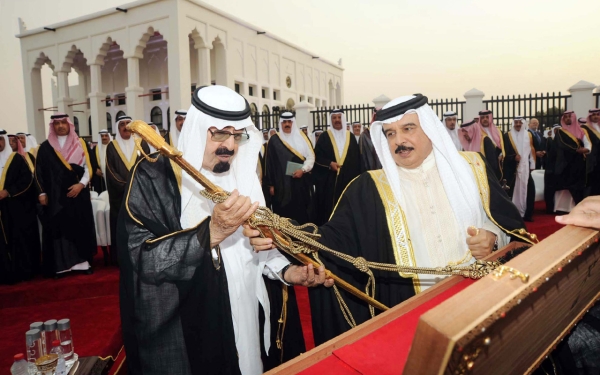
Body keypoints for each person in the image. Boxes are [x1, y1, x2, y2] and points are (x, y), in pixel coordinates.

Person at [246, 94, 533, 346]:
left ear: (430, 129)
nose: (399, 141)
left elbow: (511, 226)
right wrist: (277, 231)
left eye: (408, 129)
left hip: (481, 302)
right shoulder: (369, 188)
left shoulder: (473, 169)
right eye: (391, 134)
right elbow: (332, 243)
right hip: (416, 317)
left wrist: (495, 237)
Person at [119, 85, 331, 375]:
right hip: (197, 325)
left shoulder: (243, 173)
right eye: (219, 133)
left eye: (237, 135)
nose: (229, 146)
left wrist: (286, 271)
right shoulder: (154, 176)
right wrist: (211, 232)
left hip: (246, 314)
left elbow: (256, 247)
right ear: (198, 128)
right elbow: (141, 259)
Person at [35, 113, 96, 277]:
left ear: (69, 124)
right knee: (59, 230)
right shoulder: (46, 147)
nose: (60, 126)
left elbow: (88, 167)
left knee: (79, 227)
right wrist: (42, 193)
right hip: (56, 198)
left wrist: (81, 185)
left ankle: (82, 265)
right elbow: (38, 171)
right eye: (57, 123)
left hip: (78, 195)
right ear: (52, 126)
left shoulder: (80, 143)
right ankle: (62, 267)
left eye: (63, 123)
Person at [106, 115, 150, 265]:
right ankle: (121, 258)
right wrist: (127, 187)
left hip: (140, 195)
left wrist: (138, 187)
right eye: (122, 124)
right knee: (122, 227)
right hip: (120, 196)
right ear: (118, 128)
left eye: (128, 124)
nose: (125, 127)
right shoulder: (112, 146)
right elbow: (111, 171)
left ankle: (141, 256)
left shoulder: (142, 143)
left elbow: (147, 166)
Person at [0, 130, 41, 283]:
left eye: (1, 140)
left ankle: (21, 272)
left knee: (18, 239)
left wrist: (8, 192)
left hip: (16, 207)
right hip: (2, 210)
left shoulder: (17, 159)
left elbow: (26, 181)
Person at [312, 109, 361, 225]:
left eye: (339, 117)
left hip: (348, 180)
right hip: (329, 182)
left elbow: (357, 160)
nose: (337, 120)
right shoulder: (324, 137)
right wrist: (329, 164)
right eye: (334, 118)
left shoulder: (351, 137)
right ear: (331, 120)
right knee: (329, 210)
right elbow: (317, 157)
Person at [264, 112, 314, 224]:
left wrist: (303, 170)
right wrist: (270, 184)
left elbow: (311, 157)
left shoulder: (302, 137)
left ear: (293, 122)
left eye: (289, 121)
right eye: (284, 122)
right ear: (280, 123)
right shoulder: (274, 140)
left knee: (301, 211)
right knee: (283, 214)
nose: (287, 124)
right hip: (280, 185)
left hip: (300, 182)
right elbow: (269, 163)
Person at [553, 111, 592, 204]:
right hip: (565, 162)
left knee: (578, 186)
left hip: (578, 162)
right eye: (565, 117)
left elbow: (587, 144)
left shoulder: (581, 131)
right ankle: (563, 208)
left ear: (573, 118)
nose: (567, 119)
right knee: (566, 185)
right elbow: (562, 145)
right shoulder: (560, 132)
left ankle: (578, 205)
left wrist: (586, 150)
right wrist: (576, 149)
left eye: (569, 117)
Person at [503, 117, 535, 221]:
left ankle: (527, 214)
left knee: (529, 190)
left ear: (523, 123)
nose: (517, 124)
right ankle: (513, 214)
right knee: (513, 190)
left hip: (525, 168)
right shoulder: (507, 136)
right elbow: (504, 152)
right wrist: (513, 157)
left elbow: (532, 150)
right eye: (516, 122)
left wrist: (532, 165)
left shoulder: (528, 134)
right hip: (512, 168)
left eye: (519, 122)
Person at [479, 109, 505, 176]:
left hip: (497, 159)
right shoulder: (477, 132)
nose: (485, 119)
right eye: (483, 118)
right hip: (485, 159)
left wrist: (501, 154)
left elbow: (502, 144)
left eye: (487, 117)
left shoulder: (497, 131)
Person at [544, 125, 561, 214]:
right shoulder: (549, 140)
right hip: (550, 168)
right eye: (556, 130)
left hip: (559, 168)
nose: (557, 131)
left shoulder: (563, 140)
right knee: (550, 190)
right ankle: (550, 208)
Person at [582, 110, 600, 196]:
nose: (596, 116)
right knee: (592, 184)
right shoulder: (585, 128)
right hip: (592, 160)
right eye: (593, 115)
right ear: (590, 116)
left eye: (598, 115)